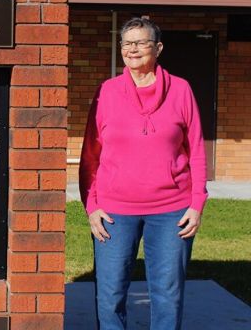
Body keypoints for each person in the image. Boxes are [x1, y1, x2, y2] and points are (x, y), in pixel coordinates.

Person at [79, 17, 208, 329]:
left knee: (167, 294)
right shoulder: (106, 92)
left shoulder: (181, 90)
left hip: (171, 212)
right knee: (109, 295)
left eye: (141, 42)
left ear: (158, 48)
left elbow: (197, 149)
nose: (132, 49)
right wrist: (91, 205)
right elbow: (90, 155)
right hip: (114, 213)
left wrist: (196, 203)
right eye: (126, 43)